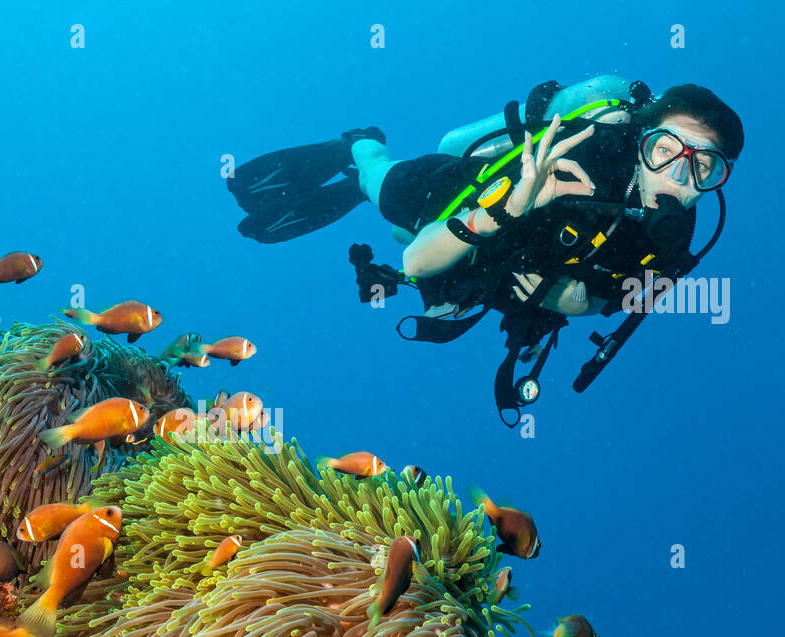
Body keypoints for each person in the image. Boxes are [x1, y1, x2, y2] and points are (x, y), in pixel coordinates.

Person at [227, 77, 744, 422]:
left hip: (498, 274)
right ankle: (361, 148)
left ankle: (362, 179)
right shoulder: (573, 152)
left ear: (718, 179)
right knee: (389, 205)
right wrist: (512, 206)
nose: (678, 177)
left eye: (704, 167)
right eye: (665, 150)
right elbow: (416, 262)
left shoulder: (678, 238)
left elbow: (630, 300)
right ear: (641, 141)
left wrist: (579, 303)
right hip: (457, 198)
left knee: (418, 259)